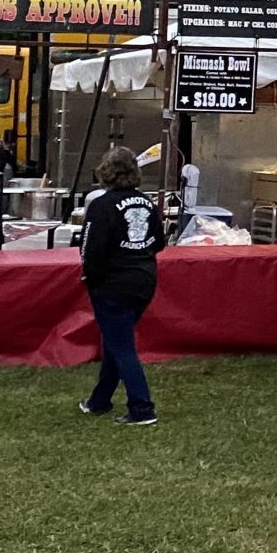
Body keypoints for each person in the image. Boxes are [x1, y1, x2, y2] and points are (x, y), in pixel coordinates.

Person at [78, 146, 163, 425]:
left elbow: (90, 250)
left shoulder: (101, 205)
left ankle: (142, 408)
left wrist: (90, 276)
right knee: (116, 341)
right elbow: (159, 242)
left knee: (122, 346)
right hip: (144, 279)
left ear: (106, 172)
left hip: (112, 283)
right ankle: (99, 400)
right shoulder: (148, 203)